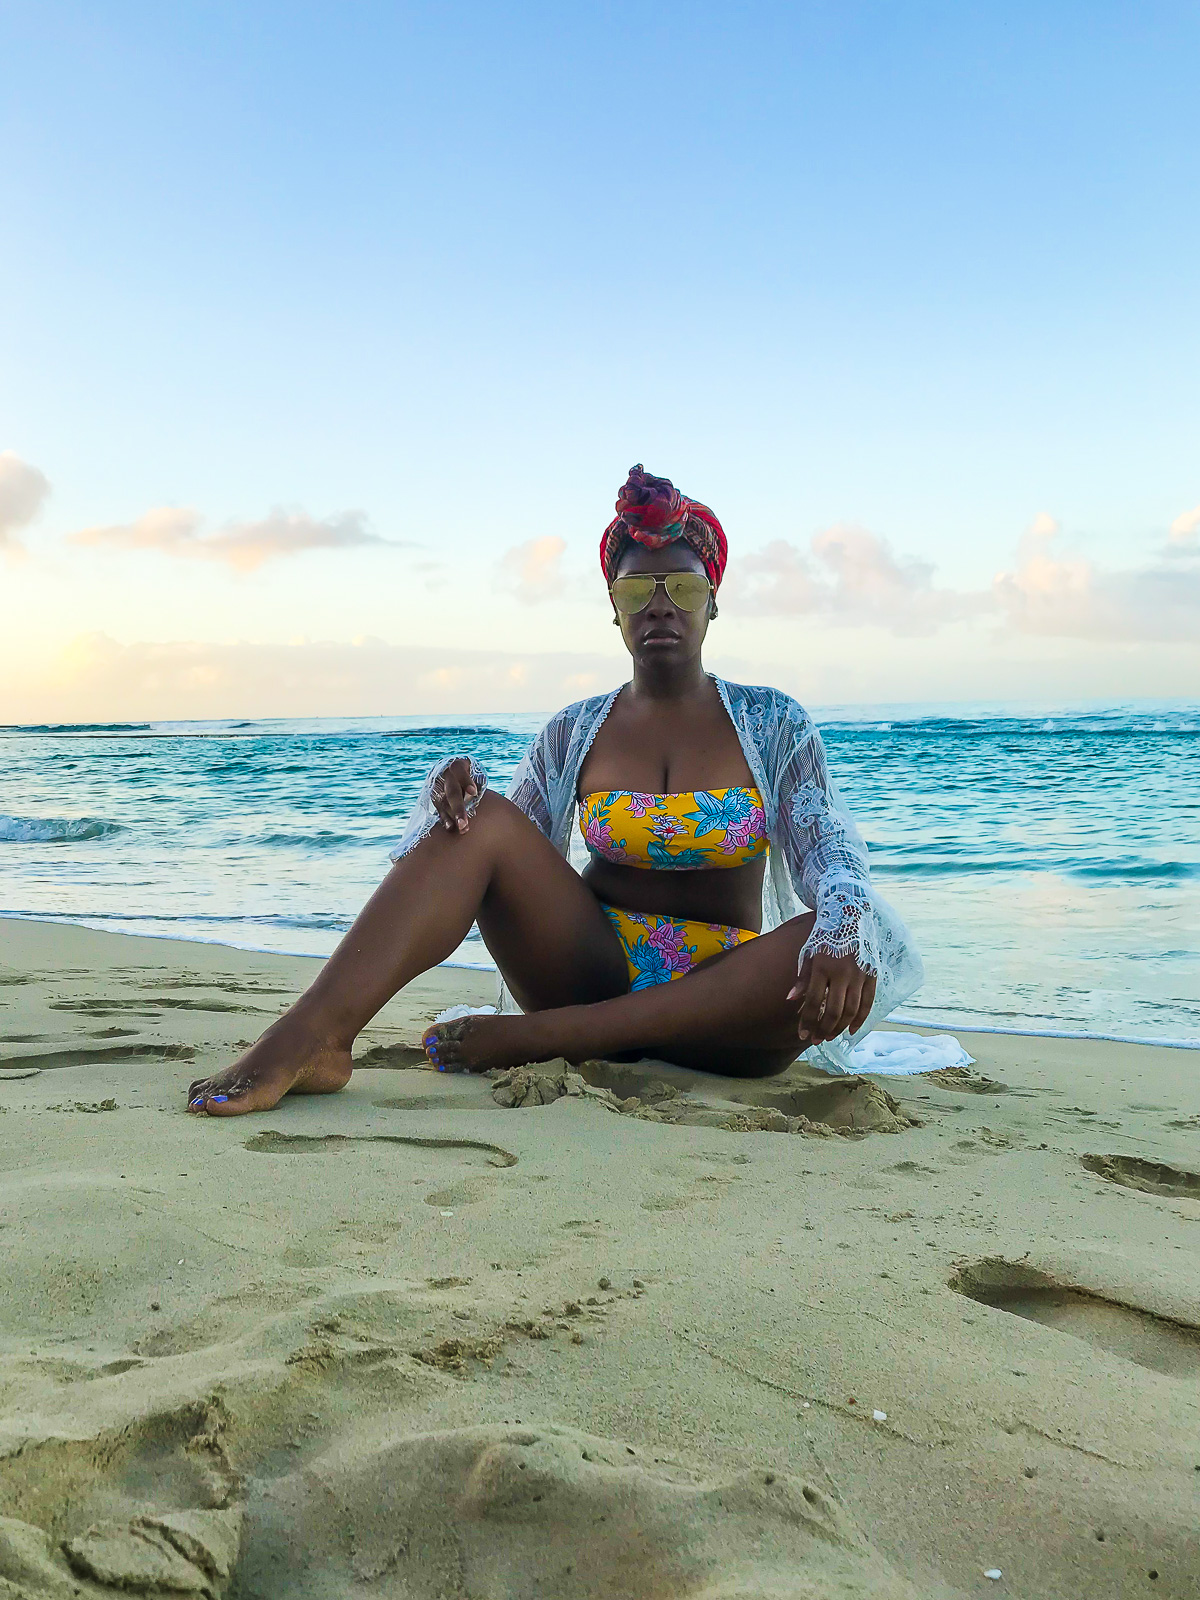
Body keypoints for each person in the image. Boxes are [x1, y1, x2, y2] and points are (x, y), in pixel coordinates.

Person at [187, 465, 922, 1116]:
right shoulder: (574, 730)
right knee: (482, 818)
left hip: (727, 1007)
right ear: (613, 606)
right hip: (589, 973)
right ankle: (314, 1035)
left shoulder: (773, 722)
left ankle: (544, 1039)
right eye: (637, 587)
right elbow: (506, 853)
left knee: (867, 925)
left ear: (713, 602)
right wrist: (458, 802)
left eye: (683, 587)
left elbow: (826, 847)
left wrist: (843, 920)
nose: (659, 604)